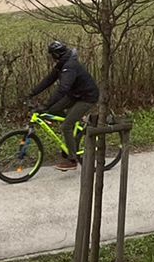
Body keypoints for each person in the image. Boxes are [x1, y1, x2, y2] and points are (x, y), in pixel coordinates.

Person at [27, 39, 101, 170]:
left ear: (56, 55)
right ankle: (74, 127)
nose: (50, 58)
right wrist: (32, 93)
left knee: (66, 125)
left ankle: (72, 159)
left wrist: (46, 104)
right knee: (51, 112)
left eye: (51, 55)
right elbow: (49, 80)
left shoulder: (69, 66)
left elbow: (63, 89)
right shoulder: (62, 63)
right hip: (75, 94)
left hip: (87, 97)